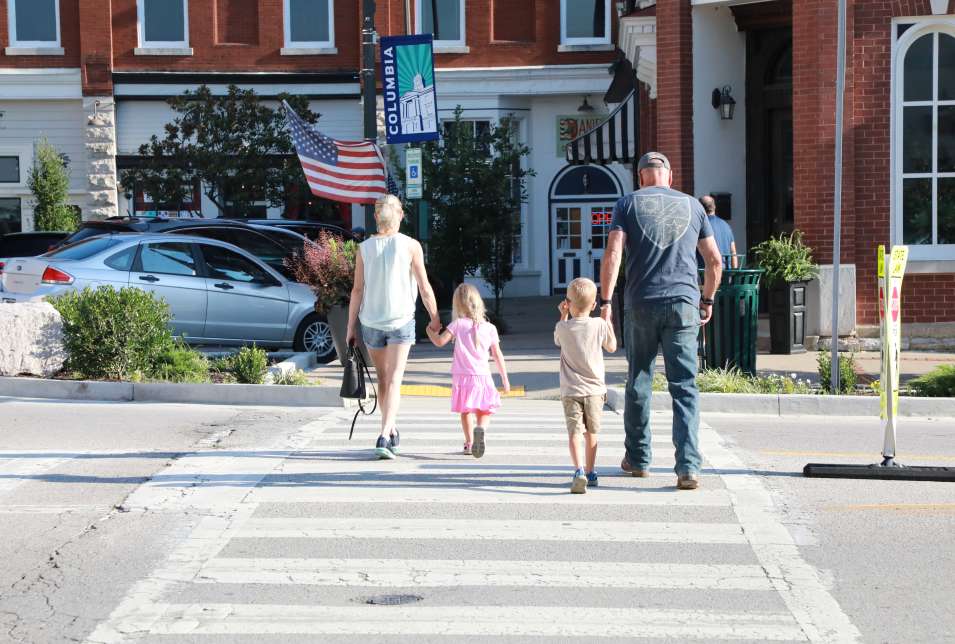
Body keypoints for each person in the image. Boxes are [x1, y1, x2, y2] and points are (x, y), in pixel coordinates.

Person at [599, 152, 723, 490]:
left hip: (641, 302)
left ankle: (638, 459)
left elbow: (613, 253)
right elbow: (714, 260)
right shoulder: (694, 206)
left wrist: (606, 301)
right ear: (669, 175)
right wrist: (707, 298)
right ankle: (688, 467)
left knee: (639, 379)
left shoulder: (627, 205)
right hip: (684, 302)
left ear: (640, 177)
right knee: (684, 386)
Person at [346, 194, 441, 460]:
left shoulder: (364, 249)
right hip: (401, 319)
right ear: (399, 215)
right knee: (396, 377)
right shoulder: (411, 246)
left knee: (384, 379)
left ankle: (390, 430)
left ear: (376, 217)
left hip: (371, 321)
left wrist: (350, 327)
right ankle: (385, 433)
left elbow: (357, 290)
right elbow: (424, 286)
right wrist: (435, 317)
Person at [426, 283, 510, 458]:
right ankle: (481, 429)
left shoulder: (457, 324)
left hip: (462, 377)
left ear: (457, 304)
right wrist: (504, 379)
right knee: (485, 409)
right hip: (483, 376)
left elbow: (440, 342)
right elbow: (497, 355)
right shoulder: (490, 328)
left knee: (465, 410)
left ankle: (469, 442)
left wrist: (429, 331)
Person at [555, 277, 617, 494]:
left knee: (574, 432)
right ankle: (591, 472)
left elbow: (557, 341)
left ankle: (578, 470)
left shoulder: (563, 327)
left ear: (568, 303)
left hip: (570, 391)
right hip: (594, 391)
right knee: (591, 432)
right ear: (593, 305)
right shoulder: (599, 325)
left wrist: (563, 315)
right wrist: (606, 320)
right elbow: (611, 346)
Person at [698, 195, 738, 268]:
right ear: (714, 207)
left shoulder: (699, 225)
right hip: (725, 275)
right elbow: (733, 252)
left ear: (700, 208)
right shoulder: (726, 226)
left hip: (705, 275)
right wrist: (733, 276)